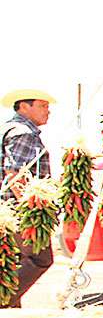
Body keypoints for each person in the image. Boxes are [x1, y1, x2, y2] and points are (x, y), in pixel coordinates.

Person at [1, 88, 55, 306]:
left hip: (8, 210)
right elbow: (15, 174)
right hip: (17, 210)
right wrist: (31, 211)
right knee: (40, 259)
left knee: (14, 261)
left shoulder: (8, 129)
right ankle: (3, 303)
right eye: (42, 106)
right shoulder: (22, 132)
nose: (48, 112)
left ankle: (10, 311)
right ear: (24, 106)